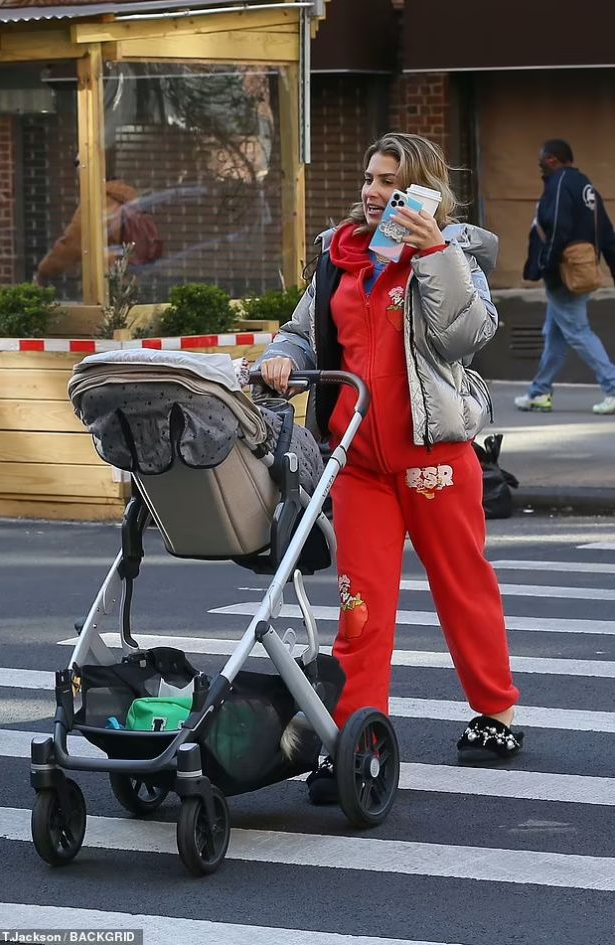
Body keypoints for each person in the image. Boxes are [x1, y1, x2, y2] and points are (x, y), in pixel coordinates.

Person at [256, 132, 522, 804]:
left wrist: (431, 248)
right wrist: (283, 356)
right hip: (359, 464)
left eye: (391, 183)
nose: (375, 193)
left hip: (434, 458)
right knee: (359, 607)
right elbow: (305, 327)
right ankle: (353, 738)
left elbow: (466, 333)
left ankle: (496, 712)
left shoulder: (454, 253)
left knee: (462, 586)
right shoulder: (339, 255)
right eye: (371, 179)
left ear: (424, 190)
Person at [516, 138, 615, 415]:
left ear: (552, 160)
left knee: (579, 332)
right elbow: (606, 232)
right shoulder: (587, 186)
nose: (540, 168)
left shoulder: (559, 183)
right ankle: (539, 392)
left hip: (564, 272)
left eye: (541, 162)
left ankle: (613, 387)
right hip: (582, 269)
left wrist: (546, 263)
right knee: (556, 334)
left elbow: (558, 224)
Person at [34, 157, 143, 285]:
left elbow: (72, 242)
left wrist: (44, 271)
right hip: (131, 276)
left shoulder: (97, 200)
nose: (77, 169)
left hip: (107, 280)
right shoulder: (127, 196)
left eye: (78, 163)